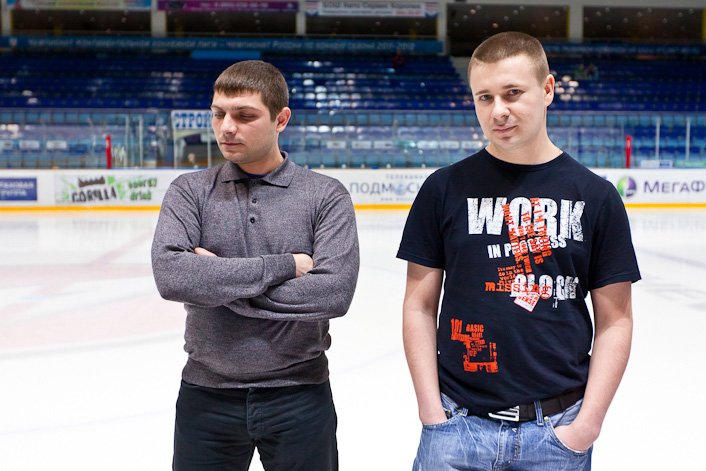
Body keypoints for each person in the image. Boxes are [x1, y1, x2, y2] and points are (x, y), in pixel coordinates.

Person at [397, 32, 640, 470]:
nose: (498, 111)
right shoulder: (443, 189)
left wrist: (586, 425)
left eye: (512, 93)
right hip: (456, 427)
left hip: (558, 431)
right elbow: (419, 305)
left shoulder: (595, 197)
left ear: (547, 90)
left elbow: (616, 321)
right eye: (484, 97)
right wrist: (431, 412)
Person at [152, 60, 360, 471]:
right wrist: (284, 266)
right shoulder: (189, 191)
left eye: (244, 116)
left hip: (299, 395)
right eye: (218, 114)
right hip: (206, 396)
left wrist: (218, 283)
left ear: (281, 119)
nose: (226, 127)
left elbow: (333, 293)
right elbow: (172, 275)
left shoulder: (325, 196)